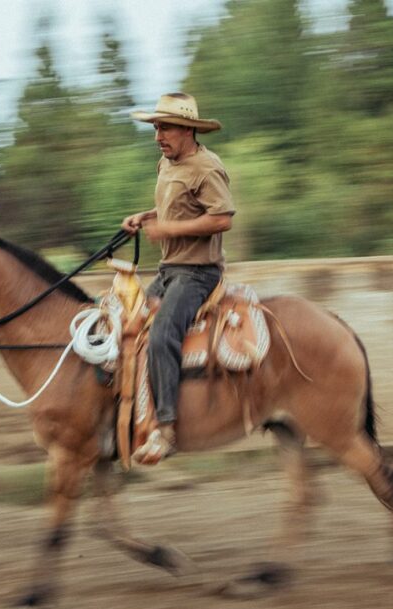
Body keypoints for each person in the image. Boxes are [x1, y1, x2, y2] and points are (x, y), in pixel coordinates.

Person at [122, 92, 235, 465]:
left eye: (165, 127)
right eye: (156, 127)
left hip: (199, 273)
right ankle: (131, 415)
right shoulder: (165, 164)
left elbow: (222, 218)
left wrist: (168, 230)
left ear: (188, 130)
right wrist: (145, 216)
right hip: (170, 270)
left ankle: (167, 429)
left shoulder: (208, 167)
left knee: (162, 333)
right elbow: (174, 204)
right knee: (127, 324)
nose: (158, 136)